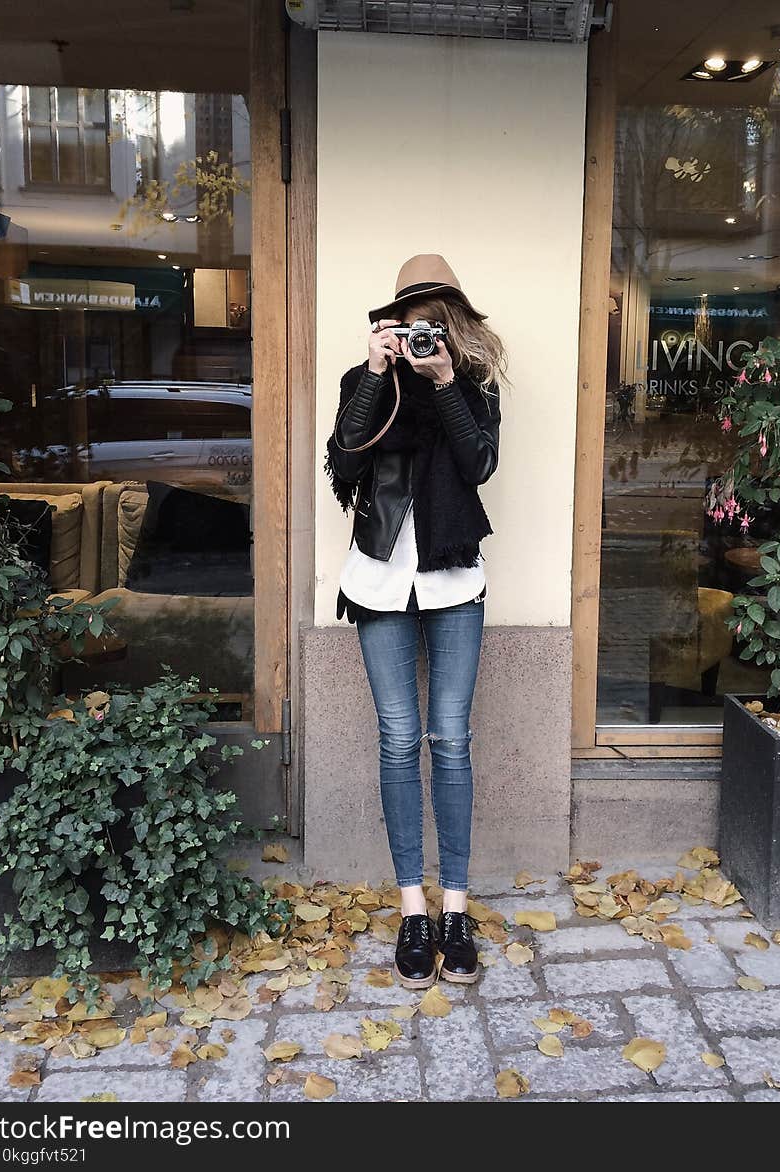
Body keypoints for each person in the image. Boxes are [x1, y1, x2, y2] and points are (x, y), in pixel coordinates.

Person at [324, 255, 505, 989]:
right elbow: (344, 459)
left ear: (453, 321)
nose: (422, 331)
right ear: (391, 325)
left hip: (454, 578)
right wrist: (376, 370)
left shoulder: (472, 388)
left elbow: (479, 463)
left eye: (435, 318)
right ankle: (412, 912)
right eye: (410, 320)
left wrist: (444, 383)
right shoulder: (366, 380)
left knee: (451, 741)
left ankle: (456, 910)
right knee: (400, 740)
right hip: (377, 580)